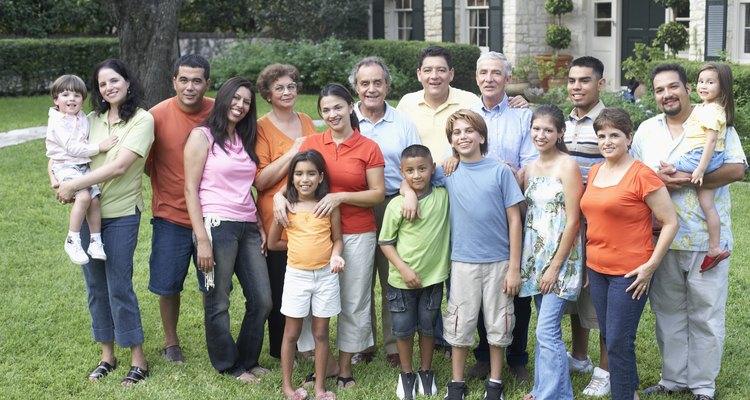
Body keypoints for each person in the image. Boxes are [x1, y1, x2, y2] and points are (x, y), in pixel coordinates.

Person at [634, 63, 747, 400]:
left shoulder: (712, 117)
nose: (667, 94)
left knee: (706, 315)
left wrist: (682, 181)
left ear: (686, 87)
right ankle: (673, 378)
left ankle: (702, 386)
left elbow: (736, 169)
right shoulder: (646, 131)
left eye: (673, 86)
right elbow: (637, 177)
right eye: (659, 90)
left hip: (705, 239)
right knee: (667, 311)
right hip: (663, 240)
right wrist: (659, 182)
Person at [274, 83, 385, 389]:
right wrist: (277, 198)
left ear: (351, 107)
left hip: (357, 233)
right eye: (326, 109)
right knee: (310, 303)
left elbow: (377, 194)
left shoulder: (368, 147)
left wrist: (341, 198)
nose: (333, 114)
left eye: (338, 107)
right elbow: (294, 181)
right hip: (314, 235)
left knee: (354, 300)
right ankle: (327, 364)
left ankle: (346, 366)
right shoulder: (312, 141)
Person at [54, 59, 154, 385]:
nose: (108, 88)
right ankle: (107, 355)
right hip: (88, 216)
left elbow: (119, 167)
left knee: (119, 286)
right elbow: (61, 151)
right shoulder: (90, 120)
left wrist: (75, 186)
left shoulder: (142, 120)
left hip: (122, 214)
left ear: (127, 82)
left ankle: (138, 359)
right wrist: (58, 181)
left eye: (114, 81)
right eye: (102, 84)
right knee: (96, 288)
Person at [581, 108, 678, 400]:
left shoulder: (642, 175)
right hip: (597, 268)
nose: (607, 141)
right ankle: (630, 390)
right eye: (602, 136)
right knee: (611, 336)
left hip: (631, 272)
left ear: (629, 137)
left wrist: (650, 266)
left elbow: (671, 221)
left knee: (620, 342)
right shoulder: (597, 170)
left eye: (614, 135)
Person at [183, 76, 272, 383]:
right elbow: (190, 190)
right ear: (223, 98)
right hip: (216, 225)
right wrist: (202, 239)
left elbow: (246, 186)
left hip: (247, 225)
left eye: (246, 101)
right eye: (235, 98)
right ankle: (229, 365)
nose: (240, 105)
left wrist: (258, 223)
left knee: (262, 299)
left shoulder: (244, 138)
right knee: (217, 299)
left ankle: (248, 359)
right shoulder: (202, 136)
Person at [438, 109, 524, 400]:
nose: (463, 136)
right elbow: (412, 179)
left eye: (468, 131)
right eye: (457, 133)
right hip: (462, 262)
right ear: (451, 140)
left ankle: (496, 383)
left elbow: (514, 219)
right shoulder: (446, 172)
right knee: (459, 321)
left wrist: (514, 267)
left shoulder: (499, 171)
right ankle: (457, 383)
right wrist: (409, 192)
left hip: (499, 262)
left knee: (499, 322)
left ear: (481, 136)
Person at [348, 56, 421, 368]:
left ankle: (394, 344)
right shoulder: (346, 118)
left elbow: (415, 167)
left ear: (387, 86)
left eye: (378, 82)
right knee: (359, 277)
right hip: (354, 206)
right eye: (365, 83)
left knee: (392, 277)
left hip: (393, 203)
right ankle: (362, 341)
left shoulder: (402, 123)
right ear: (356, 87)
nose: (371, 89)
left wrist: (408, 193)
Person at [467, 51, 535, 383]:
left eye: (496, 73)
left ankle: (517, 357)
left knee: (515, 287)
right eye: (484, 72)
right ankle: (482, 354)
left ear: (507, 79)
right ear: (476, 77)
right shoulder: (466, 115)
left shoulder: (524, 116)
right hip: (476, 216)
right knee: (480, 286)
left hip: (512, 209)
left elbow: (531, 164)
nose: (489, 78)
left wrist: (514, 174)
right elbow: (456, 153)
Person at [146, 54, 214, 364]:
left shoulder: (217, 111)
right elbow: (146, 163)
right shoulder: (156, 116)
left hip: (212, 213)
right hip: (170, 215)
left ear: (207, 83)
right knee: (168, 283)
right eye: (183, 80)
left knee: (210, 283)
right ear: (173, 81)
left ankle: (215, 336)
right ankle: (171, 341)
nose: (189, 86)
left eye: (196, 80)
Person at [268, 150, 344, 400]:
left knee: (321, 333)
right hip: (297, 276)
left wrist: (335, 255)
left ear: (321, 177)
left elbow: (337, 240)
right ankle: (288, 387)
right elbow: (273, 242)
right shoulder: (287, 208)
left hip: (325, 277)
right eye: (299, 174)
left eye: (311, 173)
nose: (305, 179)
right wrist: (298, 249)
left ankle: (320, 386)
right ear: (291, 178)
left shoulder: (328, 207)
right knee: (292, 333)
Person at [520, 105, 583, 400]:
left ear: (560, 133)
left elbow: (574, 220)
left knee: (546, 331)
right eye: (536, 129)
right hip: (534, 258)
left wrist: (556, 266)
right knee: (544, 331)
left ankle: (552, 395)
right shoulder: (529, 168)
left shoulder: (568, 165)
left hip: (561, 260)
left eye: (548, 130)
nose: (541, 135)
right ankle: (543, 388)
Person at [253, 63, 317, 360]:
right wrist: (292, 153)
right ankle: (282, 348)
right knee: (280, 284)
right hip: (275, 218)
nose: (287, 91)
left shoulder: (306, 120)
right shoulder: (261, 127)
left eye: (291, 86)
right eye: (279, 87)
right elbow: (261, 179)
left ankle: (305, 343)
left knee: (306, 279)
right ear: (267, 93)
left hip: (306, 217)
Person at [379, 144, 450, 399]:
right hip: (401, 281)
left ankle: (426, 371)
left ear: (432, 169)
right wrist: (403, 269)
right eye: (410, 171)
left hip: (433, 278)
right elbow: (385, 242)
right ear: (402, 173)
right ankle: (407, 374)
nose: (417, 175)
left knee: (429, 327)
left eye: (422, 169)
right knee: (403, 329)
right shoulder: (396, 205)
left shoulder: (443, 196)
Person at [563, 55, 611, 397]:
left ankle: (605, 369)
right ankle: (579, 355)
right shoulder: (563, 123)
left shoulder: (609, 123)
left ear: (600, 84)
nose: (576, 87)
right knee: (573, 294)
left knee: (600, 298)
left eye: (584, 80)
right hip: (568, 224)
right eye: (572, 80)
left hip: (600, 226)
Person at [46, 74, 117, 265]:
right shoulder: (58, 121)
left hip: (81, 167)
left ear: (83, 100)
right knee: (84, 197)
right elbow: (71, 149)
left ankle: (95, 241)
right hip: (66, 166)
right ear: (56, 100)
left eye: (77, 95)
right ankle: (72, 239)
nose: (71, 99)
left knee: (94, 200)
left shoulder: (81, 118)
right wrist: (99, 147)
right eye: (65, 95)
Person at [672, 63, 734, 272]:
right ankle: (714, 248)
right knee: (707, 205)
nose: (703, 86)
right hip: (707, 157)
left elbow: (710, 142)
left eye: (710, 82)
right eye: (700, 81)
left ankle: (657, 221)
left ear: (722, 87)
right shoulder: (709, 108)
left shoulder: (711, 111)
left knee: (660, 176)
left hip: (702, 156)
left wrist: (700, 168)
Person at [396, 45, 479, 160]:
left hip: (460, 176)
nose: (434, 76)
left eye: (441, 70)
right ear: (419, 74)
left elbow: (483, 141)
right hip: (419, 177)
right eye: (427, 70)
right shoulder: (407, 103)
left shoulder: (470, 101)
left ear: (451, 74)